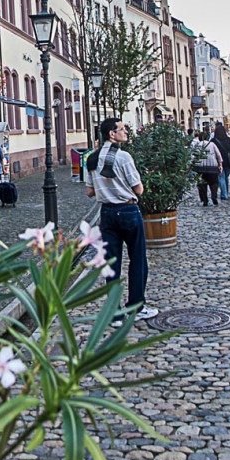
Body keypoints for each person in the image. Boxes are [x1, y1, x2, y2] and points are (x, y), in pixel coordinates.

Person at [84, 117, 158, 321]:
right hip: (127, 211)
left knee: (112, 263)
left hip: (106, 214)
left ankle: (114, 314)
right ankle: (136, 306)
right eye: (122, 129)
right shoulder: (124, 157)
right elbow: (139, 189)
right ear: (112, 134)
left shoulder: (92, 158)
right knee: (137, 259)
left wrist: (105, 188)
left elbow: (89, 192)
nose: (126, 132)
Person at [191, 130, 223, 205]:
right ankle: (214, 196)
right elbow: (218, 155)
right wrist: (220, 164)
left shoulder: (197, 145)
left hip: (200, 168)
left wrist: (193, 165)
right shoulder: (212, 144)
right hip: (212, 167)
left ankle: (205, 200)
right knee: (214, 183)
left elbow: (193, 157)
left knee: (202, 185)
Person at [211, 122, 230, 199]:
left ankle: (224, 194)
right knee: (225, 177)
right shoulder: (228, 140)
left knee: (221, 177)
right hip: (228, 162)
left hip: (219, 162)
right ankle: (225, 191)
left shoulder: (214, 141)